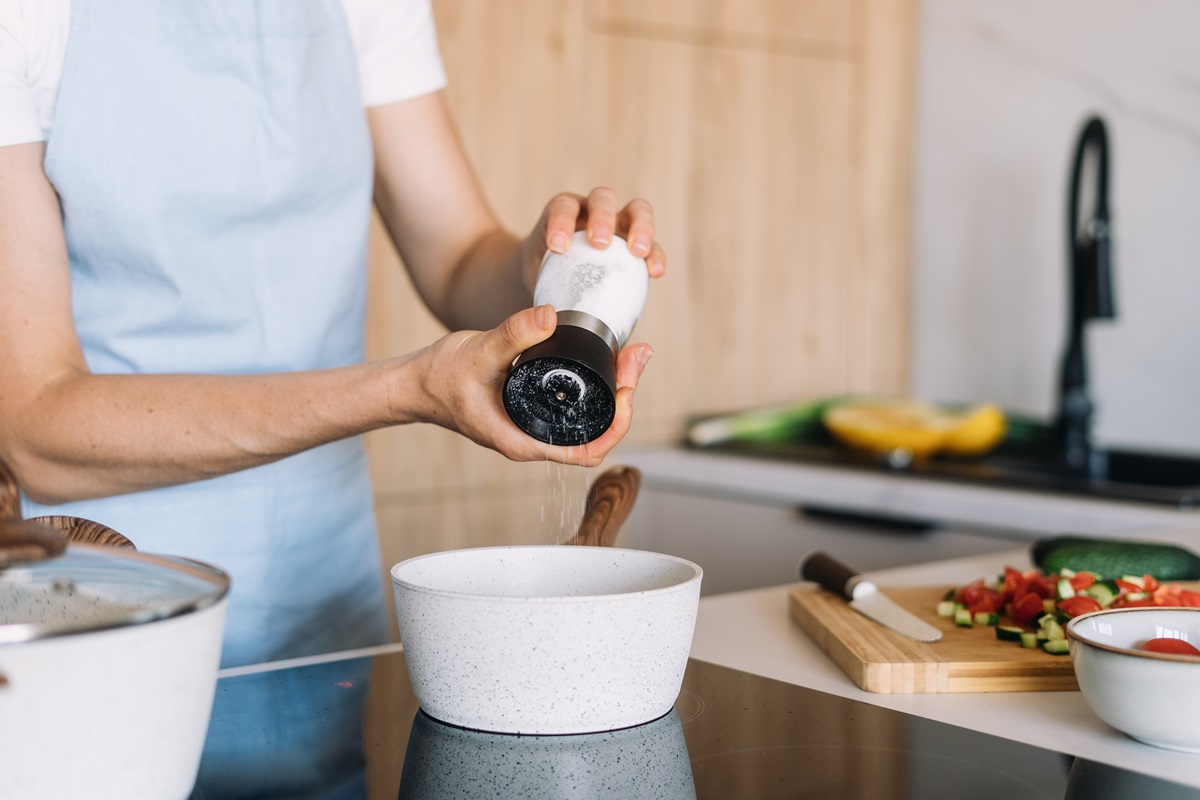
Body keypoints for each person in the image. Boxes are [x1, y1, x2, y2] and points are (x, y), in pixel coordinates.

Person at [0, 0, 664, 669]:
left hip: (322, 594)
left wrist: (548, 265)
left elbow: (459, 259)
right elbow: (34, 430)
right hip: (101, 605)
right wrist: (408, 388)